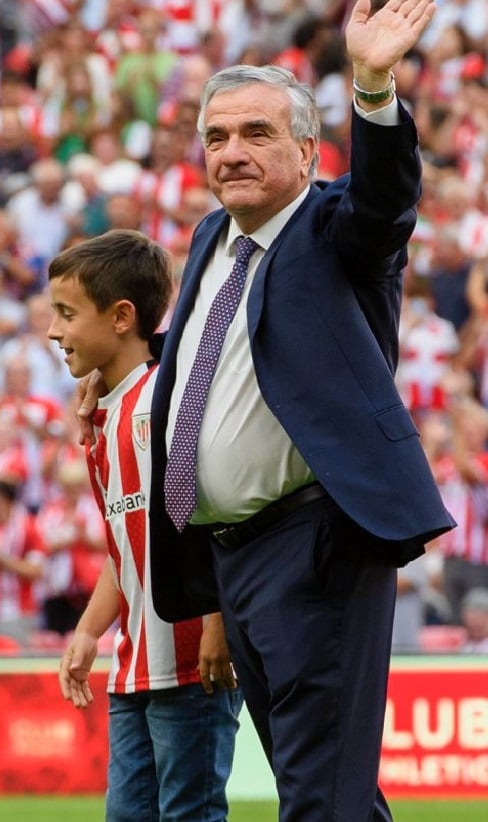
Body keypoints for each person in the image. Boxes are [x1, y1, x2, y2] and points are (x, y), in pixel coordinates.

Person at [75, 2, 456, 820]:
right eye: (217, 137)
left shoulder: (333, 229)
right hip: (233, 554)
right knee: (322, 784)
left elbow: (387, 198)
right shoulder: (214, 237)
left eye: (256, 133)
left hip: (315, 538)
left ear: (306, 151)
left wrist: (375, 84)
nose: (232, 152)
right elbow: (206, 365)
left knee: (320, 792)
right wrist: (111, 376)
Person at [50, 230, 242, 821]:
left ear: (122, 317)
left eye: (66, 314)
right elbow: (129, 546)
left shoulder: (168, 401)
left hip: (191, 663)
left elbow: (217, 517)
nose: (53, 332)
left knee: (191, 813)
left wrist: (216, 623)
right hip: (133, 664)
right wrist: (88, 632)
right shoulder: (102, 417)